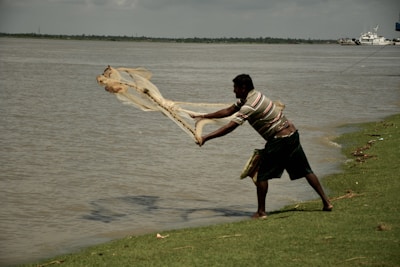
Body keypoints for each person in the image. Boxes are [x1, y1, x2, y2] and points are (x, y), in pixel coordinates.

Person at [191, 74, 333, 219]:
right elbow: (228, 111)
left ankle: (261, 212)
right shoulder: (254, 96)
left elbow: (230, 127)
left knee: (261, 174)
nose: (234, 91)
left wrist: (206, 138)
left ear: (243, 88)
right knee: (305, 170)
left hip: (279, 140)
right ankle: (327, 203)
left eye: (235, 88)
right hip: (292, 135)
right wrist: (204, 116)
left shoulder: (249, 106)